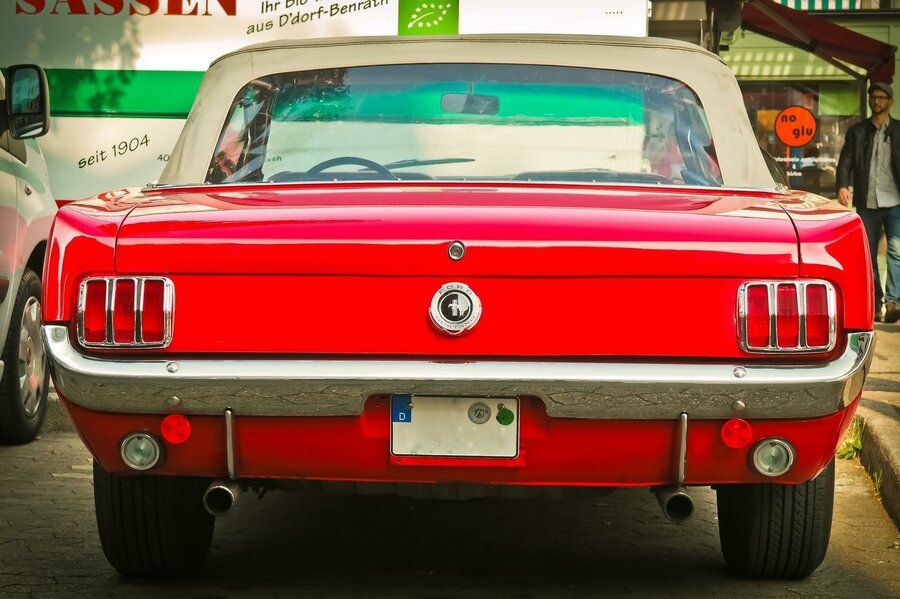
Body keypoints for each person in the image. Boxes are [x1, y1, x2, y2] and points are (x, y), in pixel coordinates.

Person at [837, 82, 900, 323]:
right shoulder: (857, 131)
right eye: (873, 97)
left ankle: (894, 302)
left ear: (890, 101)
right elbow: (845, 161)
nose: (877, 101)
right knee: (868, 255)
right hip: (867, 201)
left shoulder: (898, 130)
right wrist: (842, 185)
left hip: (895, 201)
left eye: (882, 97)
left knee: (896, 252)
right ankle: (874, 304)